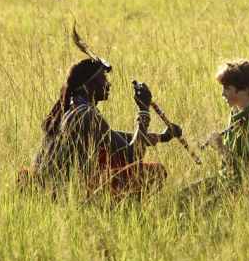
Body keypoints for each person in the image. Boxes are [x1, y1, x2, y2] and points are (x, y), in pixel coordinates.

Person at [21, 57, 182, 199]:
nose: (108, 83)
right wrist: (143, 110)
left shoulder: (70, 109)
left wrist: (163, 137)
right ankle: (126, 215)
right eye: (103, 78)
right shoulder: (87, 115)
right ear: (89, 85)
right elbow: (133, 155)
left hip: (51, 188)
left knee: (109, 157)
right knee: (156, 172)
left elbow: (117, 139)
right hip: (66, 193)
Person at [183, 59, 249, 203]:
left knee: (194, 209)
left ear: (245, 90)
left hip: (245, 191)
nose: (222, 94)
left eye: (227, 88)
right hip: (225, 180)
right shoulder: (236, 112)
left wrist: (220, 147)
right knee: (181, 197)